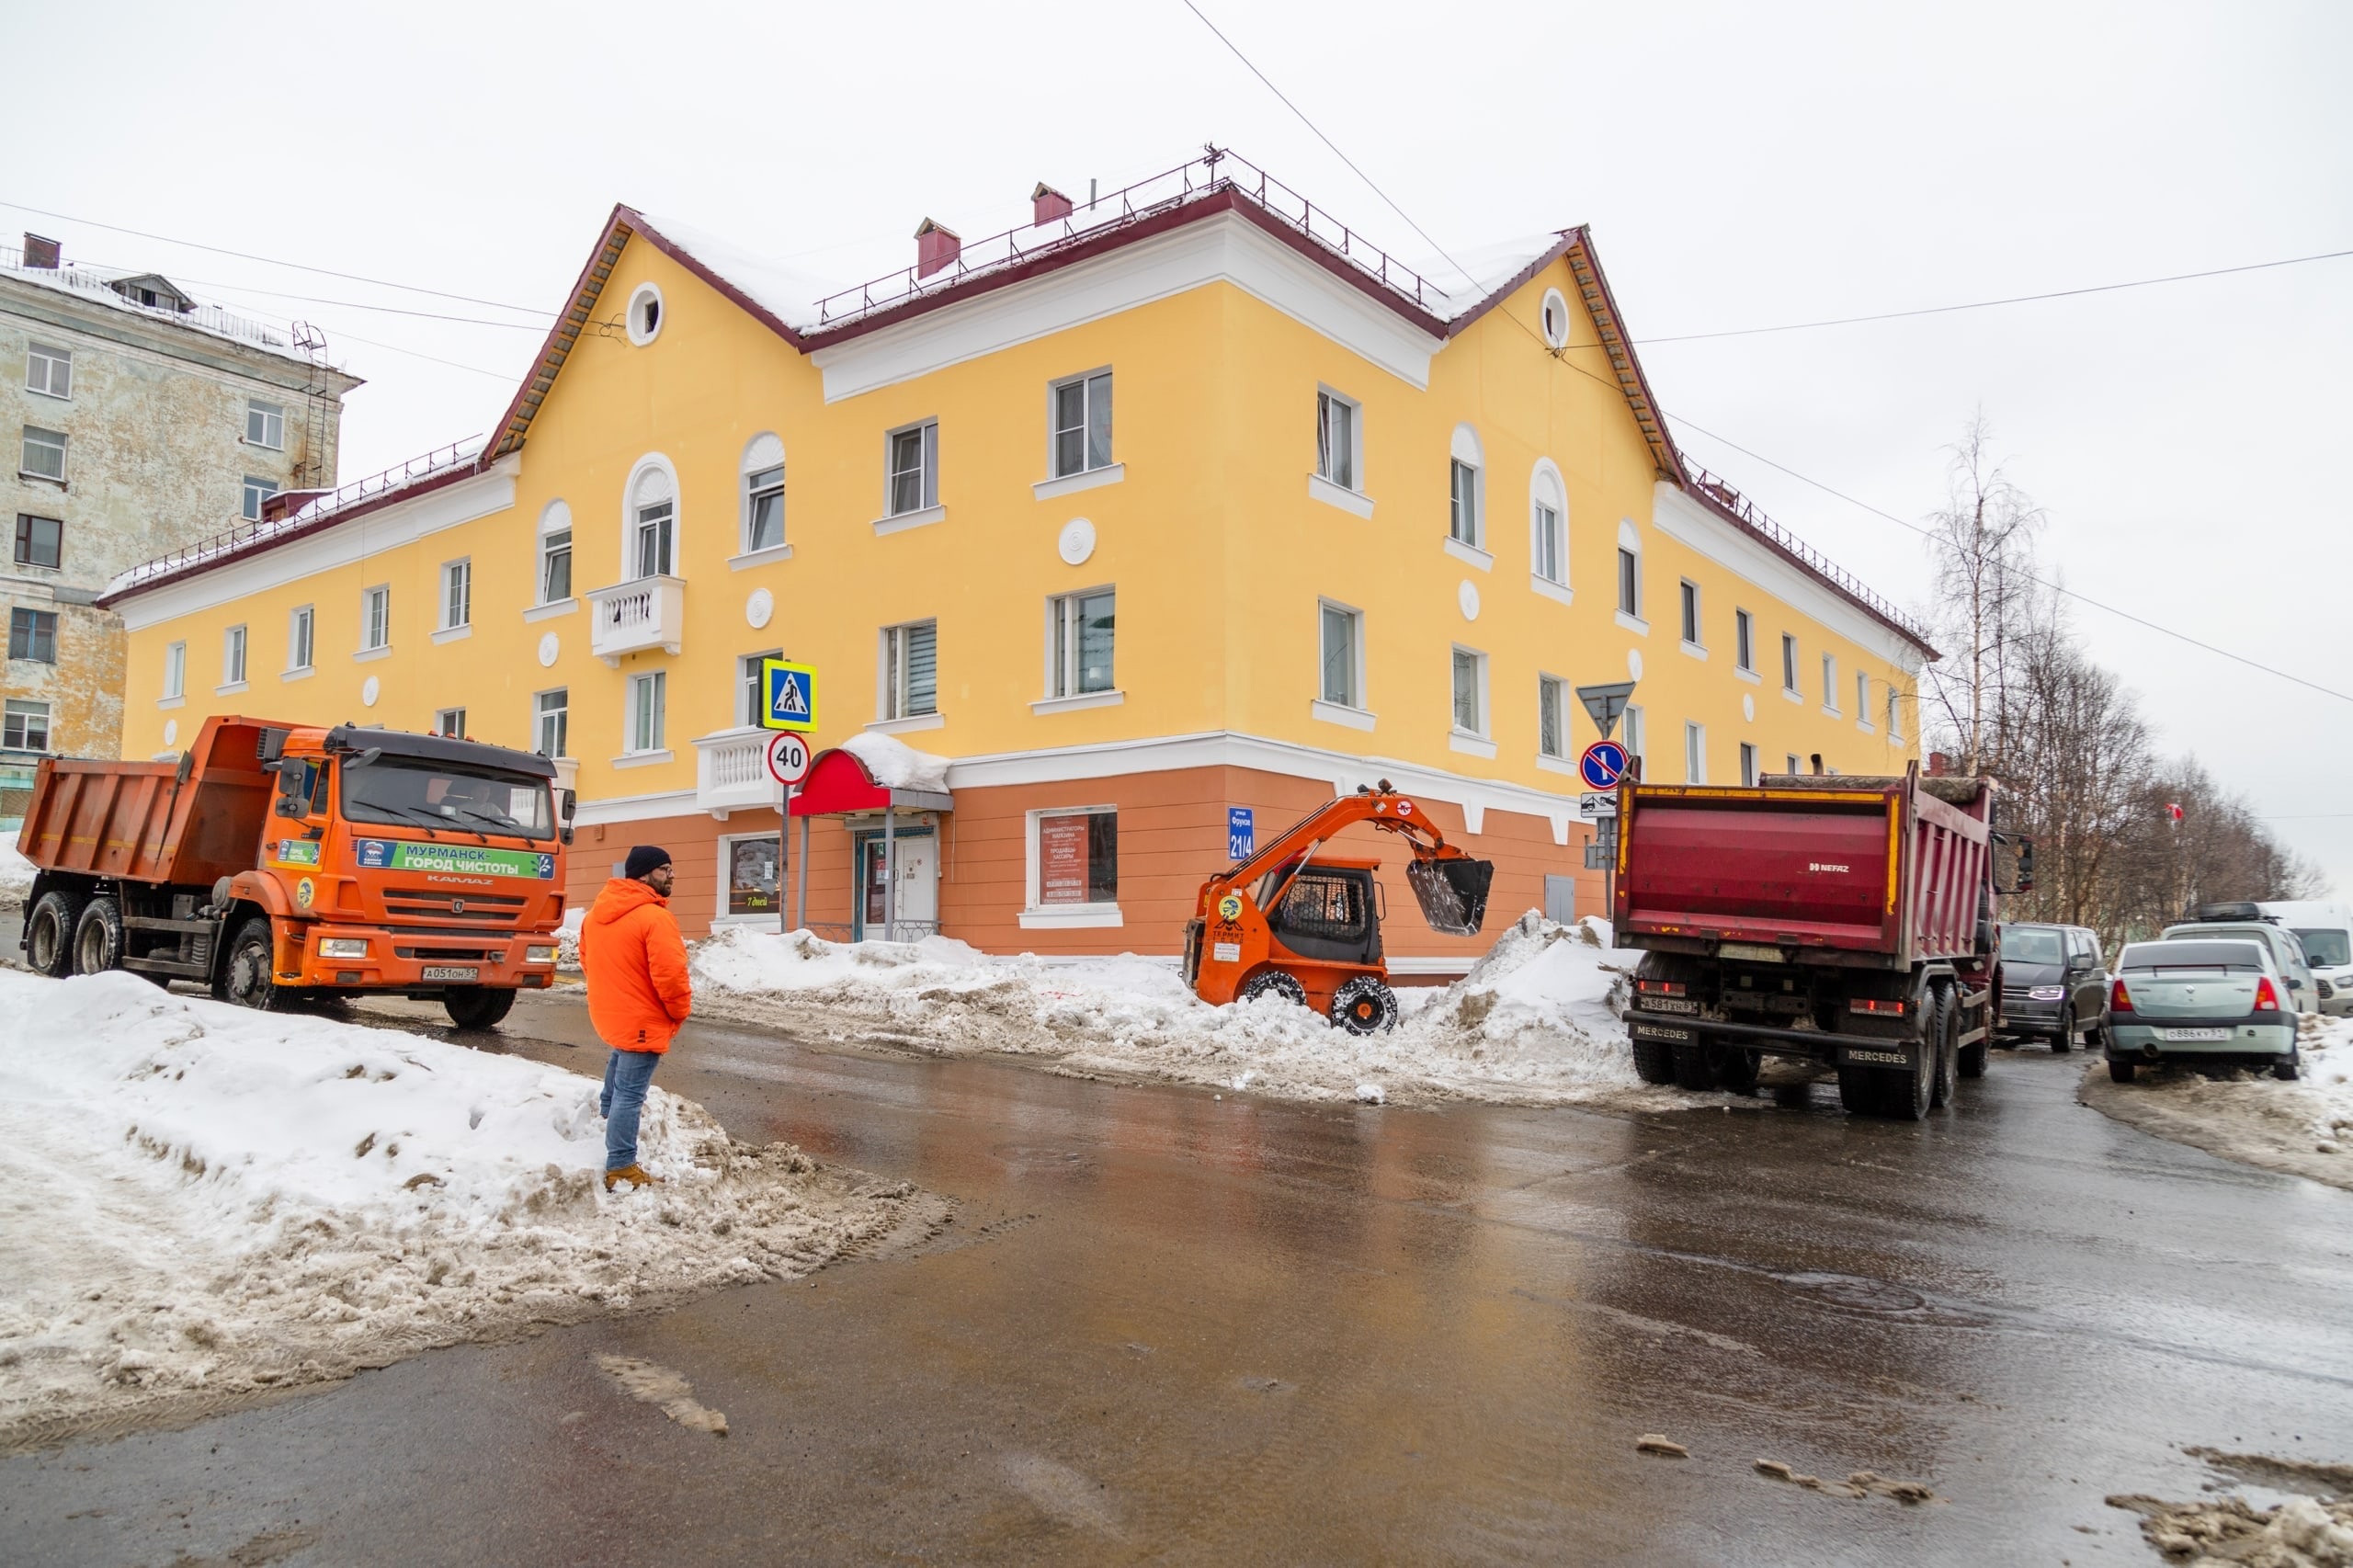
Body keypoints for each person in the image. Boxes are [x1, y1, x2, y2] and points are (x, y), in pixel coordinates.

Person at [580, 845, 693, 1191]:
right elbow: (671, 976)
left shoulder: (596, 914)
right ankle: (621, 1166)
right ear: (644, 875)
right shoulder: (654, 918)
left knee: (619, 1063)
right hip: (642, 1017)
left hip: (611, 1012)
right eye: (664, 869)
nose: (671, 875)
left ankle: (605, 1117)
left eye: (672, 868)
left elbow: (587, 962)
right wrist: (679, 1011)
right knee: (631, 1093)